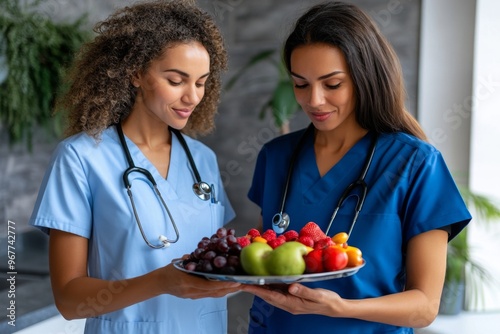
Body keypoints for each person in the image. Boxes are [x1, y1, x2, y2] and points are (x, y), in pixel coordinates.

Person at [241, 2, 471, 333]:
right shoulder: (276, 157)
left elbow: (424, 306)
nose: (314, 100)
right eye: (300, 84)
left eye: (332, 84)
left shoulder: (415, 164)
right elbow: (265, 261)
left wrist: (341, 308)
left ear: (366, 78)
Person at [29, 1, 240, 333]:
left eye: (201, 82)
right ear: (136, 73)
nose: (192, 97)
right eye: (176, 80)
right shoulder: (81, 159)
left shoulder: (203, 161)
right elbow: (69, 301)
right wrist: (162, 282)